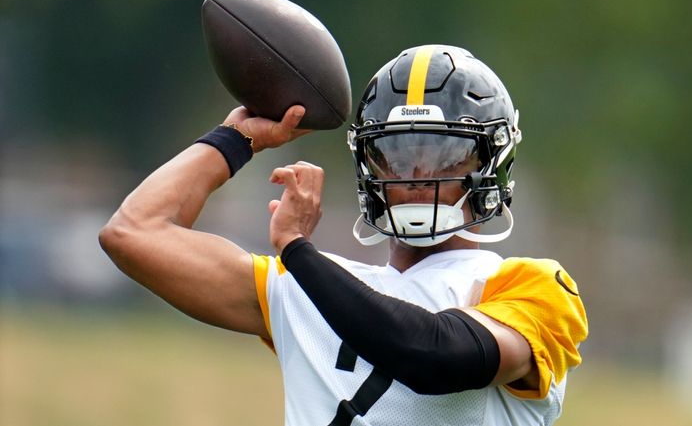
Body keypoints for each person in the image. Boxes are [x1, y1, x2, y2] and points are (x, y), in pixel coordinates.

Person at [100, 44, 588, 426]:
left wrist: (298, 250)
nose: (416, 174)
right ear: (367, 168)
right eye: (395, 156)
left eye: (443, 155)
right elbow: (133, 232)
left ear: (490, 166)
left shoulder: (534, 288)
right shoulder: (305, 290)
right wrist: (237, 138)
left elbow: (434, 357)